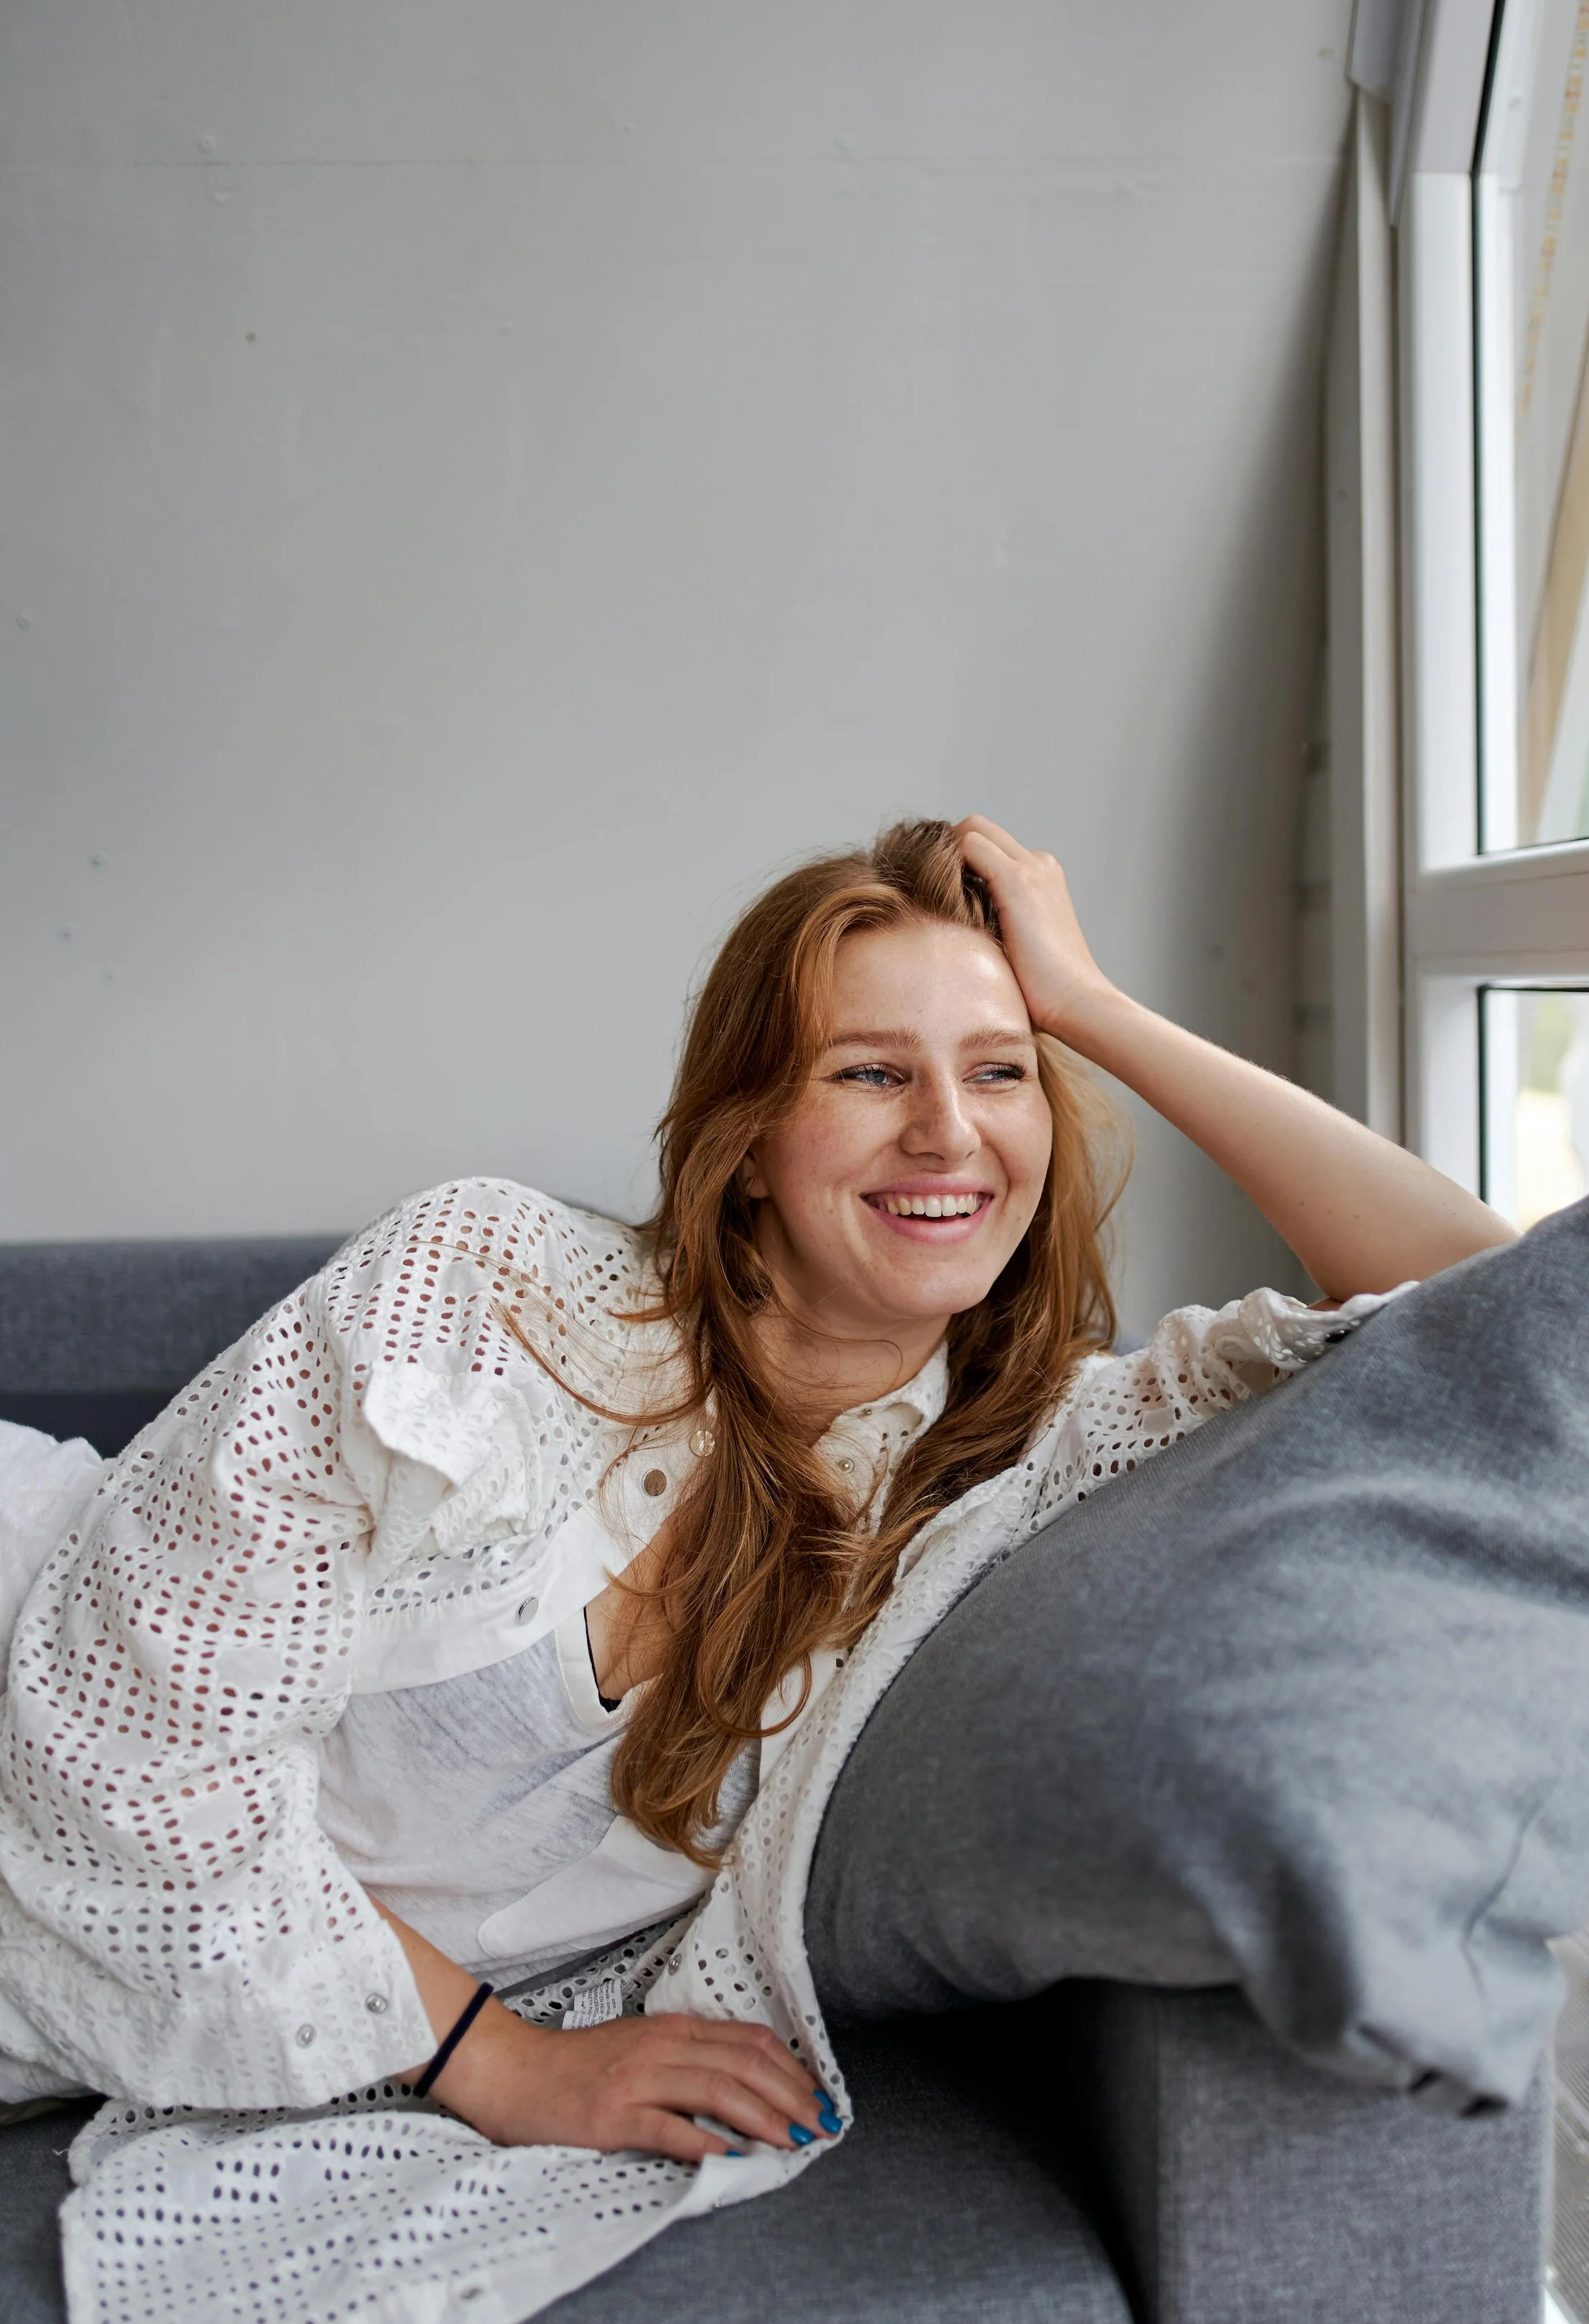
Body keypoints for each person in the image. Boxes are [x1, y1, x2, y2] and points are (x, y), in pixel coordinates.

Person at [0, 816, 1511, 2163]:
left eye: (998, 1074)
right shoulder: (483, 1282)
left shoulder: (1019, 1464)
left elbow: (1497, 1307)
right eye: (869, 1073)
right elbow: (121, 1749)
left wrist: (1094, 1010)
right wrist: (494, 2059)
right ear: (747, 1143)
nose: (948, 1131)